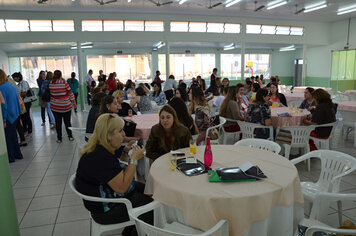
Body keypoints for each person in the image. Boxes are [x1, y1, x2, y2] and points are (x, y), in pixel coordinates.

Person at [76, 113, 152, 236]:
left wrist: (126, 152)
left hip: (104, 197)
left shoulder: (99, 148)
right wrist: (134, 159)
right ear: (108, 135)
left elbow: (115, 171)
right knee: (152, 207)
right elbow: (122, 187)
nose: (124, 134)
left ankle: (131, 230)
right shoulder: (100, 157)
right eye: (120, 131)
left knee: (148, 189)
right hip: (106, 210)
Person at [0, 69, 23, 163]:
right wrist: (18, 113)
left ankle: (11, 157)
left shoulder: (1, 88)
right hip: (15, 114)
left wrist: (4, 120)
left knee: (8, 138)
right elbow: (18, 100)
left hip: (8, 116)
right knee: (13, 136)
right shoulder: (11, 86)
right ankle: (18, 154)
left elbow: (4, 105)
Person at [49, 70, 76, 143]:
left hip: (55, 106)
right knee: (67, 122)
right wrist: (74, 102)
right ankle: (70, 136)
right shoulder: (64, 82)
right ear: (60, 75)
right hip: (65, 106)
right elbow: (70, 93)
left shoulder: (51, 83)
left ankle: (59, 138)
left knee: (58, 123)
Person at [12, 72, 33, 137]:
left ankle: (29, 130)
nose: (14, 79)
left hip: (26, 102)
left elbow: (24, 93)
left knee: (27, 116)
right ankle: (24, 130)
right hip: (22, 102)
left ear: (18, 77)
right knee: (22, 117)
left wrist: (17, 95)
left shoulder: (24, 83)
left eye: (14, 78)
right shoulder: (18, 84)